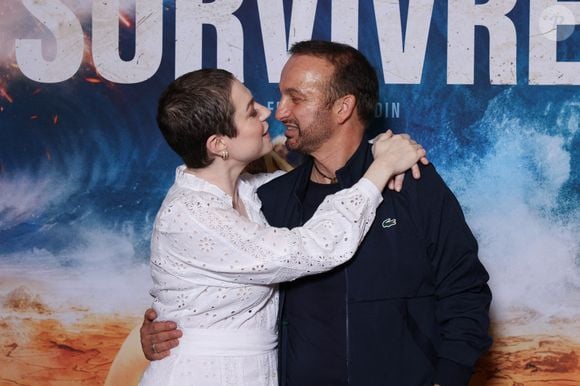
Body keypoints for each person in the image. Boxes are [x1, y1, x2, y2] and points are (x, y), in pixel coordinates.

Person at [141, 41, 492, 386]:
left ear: (343, 108)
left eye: (296, 98)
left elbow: (464, 288)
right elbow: (207, 284)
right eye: (271, 100)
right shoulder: (271, 200)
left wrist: (448, 376)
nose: (277, 112)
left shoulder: (410, 181)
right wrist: (170, 330)